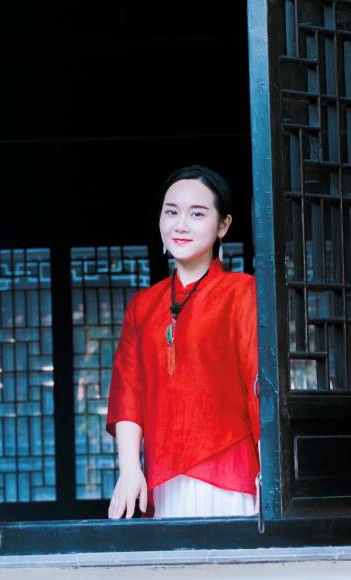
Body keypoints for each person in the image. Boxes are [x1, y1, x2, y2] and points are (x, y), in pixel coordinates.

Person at [106, 164, 260, 519]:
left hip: (230, 473)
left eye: (197, 214)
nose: (180, 225)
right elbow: (128, 393)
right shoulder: (143, 306)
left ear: (223, 225)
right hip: (164, 477)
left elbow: (259, 387)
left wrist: (271, 472)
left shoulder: (242, 292)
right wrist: (129, 470)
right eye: (171, 212)